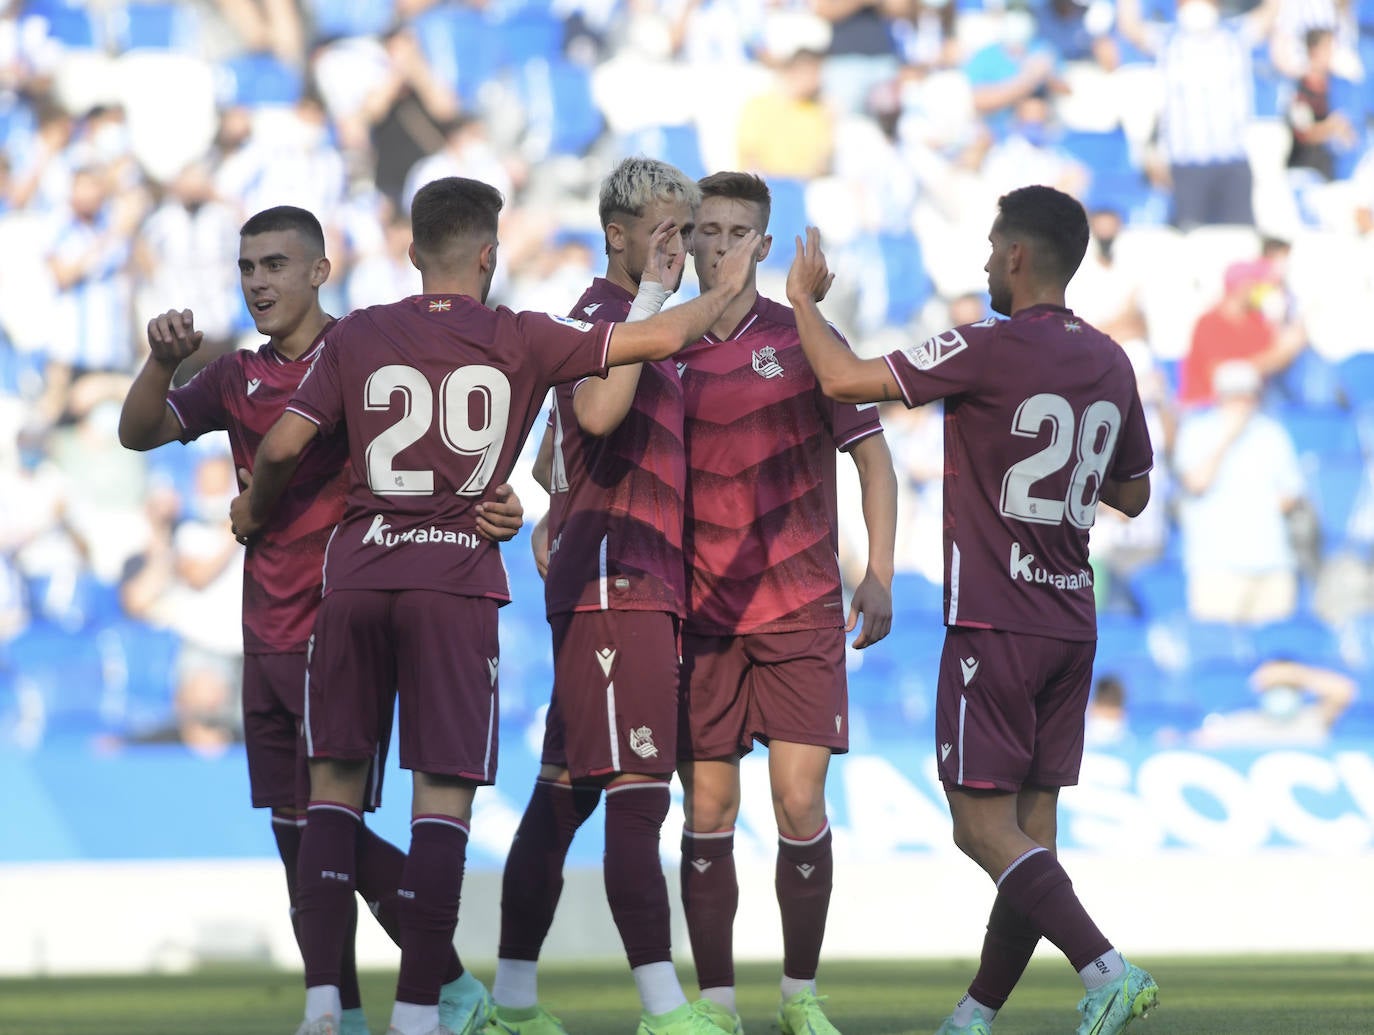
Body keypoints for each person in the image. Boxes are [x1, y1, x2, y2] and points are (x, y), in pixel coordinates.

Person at [240, 177, 760, 1035]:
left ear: (412, 253)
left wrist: (256, 512)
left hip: (359, 576)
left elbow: (286, 444)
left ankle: (324, 1006)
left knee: (329, 794)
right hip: (454, 582)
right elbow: (661, 336)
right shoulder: (520, 335)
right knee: (439, 803)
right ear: (489, 253)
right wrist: (713, 279)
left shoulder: (361, 330)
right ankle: (418, 1014)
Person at [117, 205, 521, 1035]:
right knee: (296, 834)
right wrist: (160, 363)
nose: (258, 281)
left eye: (274, 264)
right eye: (247, 267)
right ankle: (343, 1006)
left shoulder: (369, 356)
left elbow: (433, 452)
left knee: (328, 829)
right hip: (263, 628)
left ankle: (431, 988)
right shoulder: (237, 376)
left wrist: (499, 503)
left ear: (317, 271)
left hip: (342, 624)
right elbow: (139, 431)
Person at [783, 184, 1159, 1035]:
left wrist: (803, 300)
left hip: (996, 617)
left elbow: (844, 378)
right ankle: (974, 1016)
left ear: (1019, 256)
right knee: (1033, 834)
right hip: (1072, 617)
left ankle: (1105, 969)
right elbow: (1133, 491)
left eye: (993, 249)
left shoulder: (989, 346)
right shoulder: (1110, 358)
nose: (987, 263)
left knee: (977, 824)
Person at [488, 157, 726, 1035]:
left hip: (629, 577)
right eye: (664, 231)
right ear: (618, 233)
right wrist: (655, 301)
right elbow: (592, 414)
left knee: (564, 792)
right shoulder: (601, 315)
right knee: (636, 789)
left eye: (685, 231)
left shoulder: (648, 323)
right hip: (613, 580)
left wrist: (558, 502)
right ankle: (665, 1010)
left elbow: (560, 452)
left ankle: (511, 1003)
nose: (678, 248)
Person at [675, 171, 897, 1035]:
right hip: (698, 611)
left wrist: (878, 569)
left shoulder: (805, 336)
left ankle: (801, 995)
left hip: (801, 604)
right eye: (709, 230)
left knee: (799, 802)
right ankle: (719, 1004)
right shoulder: (663, 341)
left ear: (765, 247)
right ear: (688, 239)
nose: (721, 244)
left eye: (738, 231)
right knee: (707, 808)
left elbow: (873, 457)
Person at [1174, 360, 1307, 624]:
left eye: (1248, 395)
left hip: (1272, 562)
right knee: (1221, 653)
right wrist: (1228, 438)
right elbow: (1196, 482)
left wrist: (1255, 509)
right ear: (1221, 396)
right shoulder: (1196, 431)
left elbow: (1291, 493)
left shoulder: (1272, 433)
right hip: (1217, 566)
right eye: (1236, 395)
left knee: (1276, 654)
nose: (1243, 402)